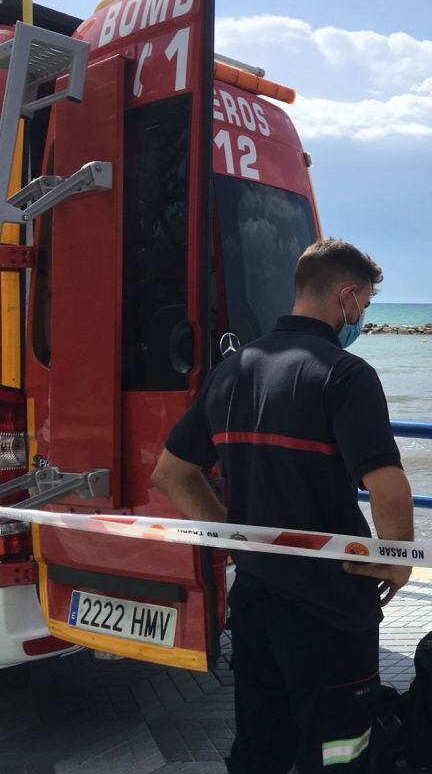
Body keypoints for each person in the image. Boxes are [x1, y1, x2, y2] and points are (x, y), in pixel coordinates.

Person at [150, 239, 414, 774]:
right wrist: (397, 561)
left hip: (255, 601)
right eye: (362, 304)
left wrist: (230, 536)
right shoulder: (345, 375)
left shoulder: (231, 370)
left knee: (262, 741)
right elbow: (387, 489)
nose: (361, 316)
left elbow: (171, 472)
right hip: (330, 604)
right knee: (342, 748)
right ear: (346, 296)